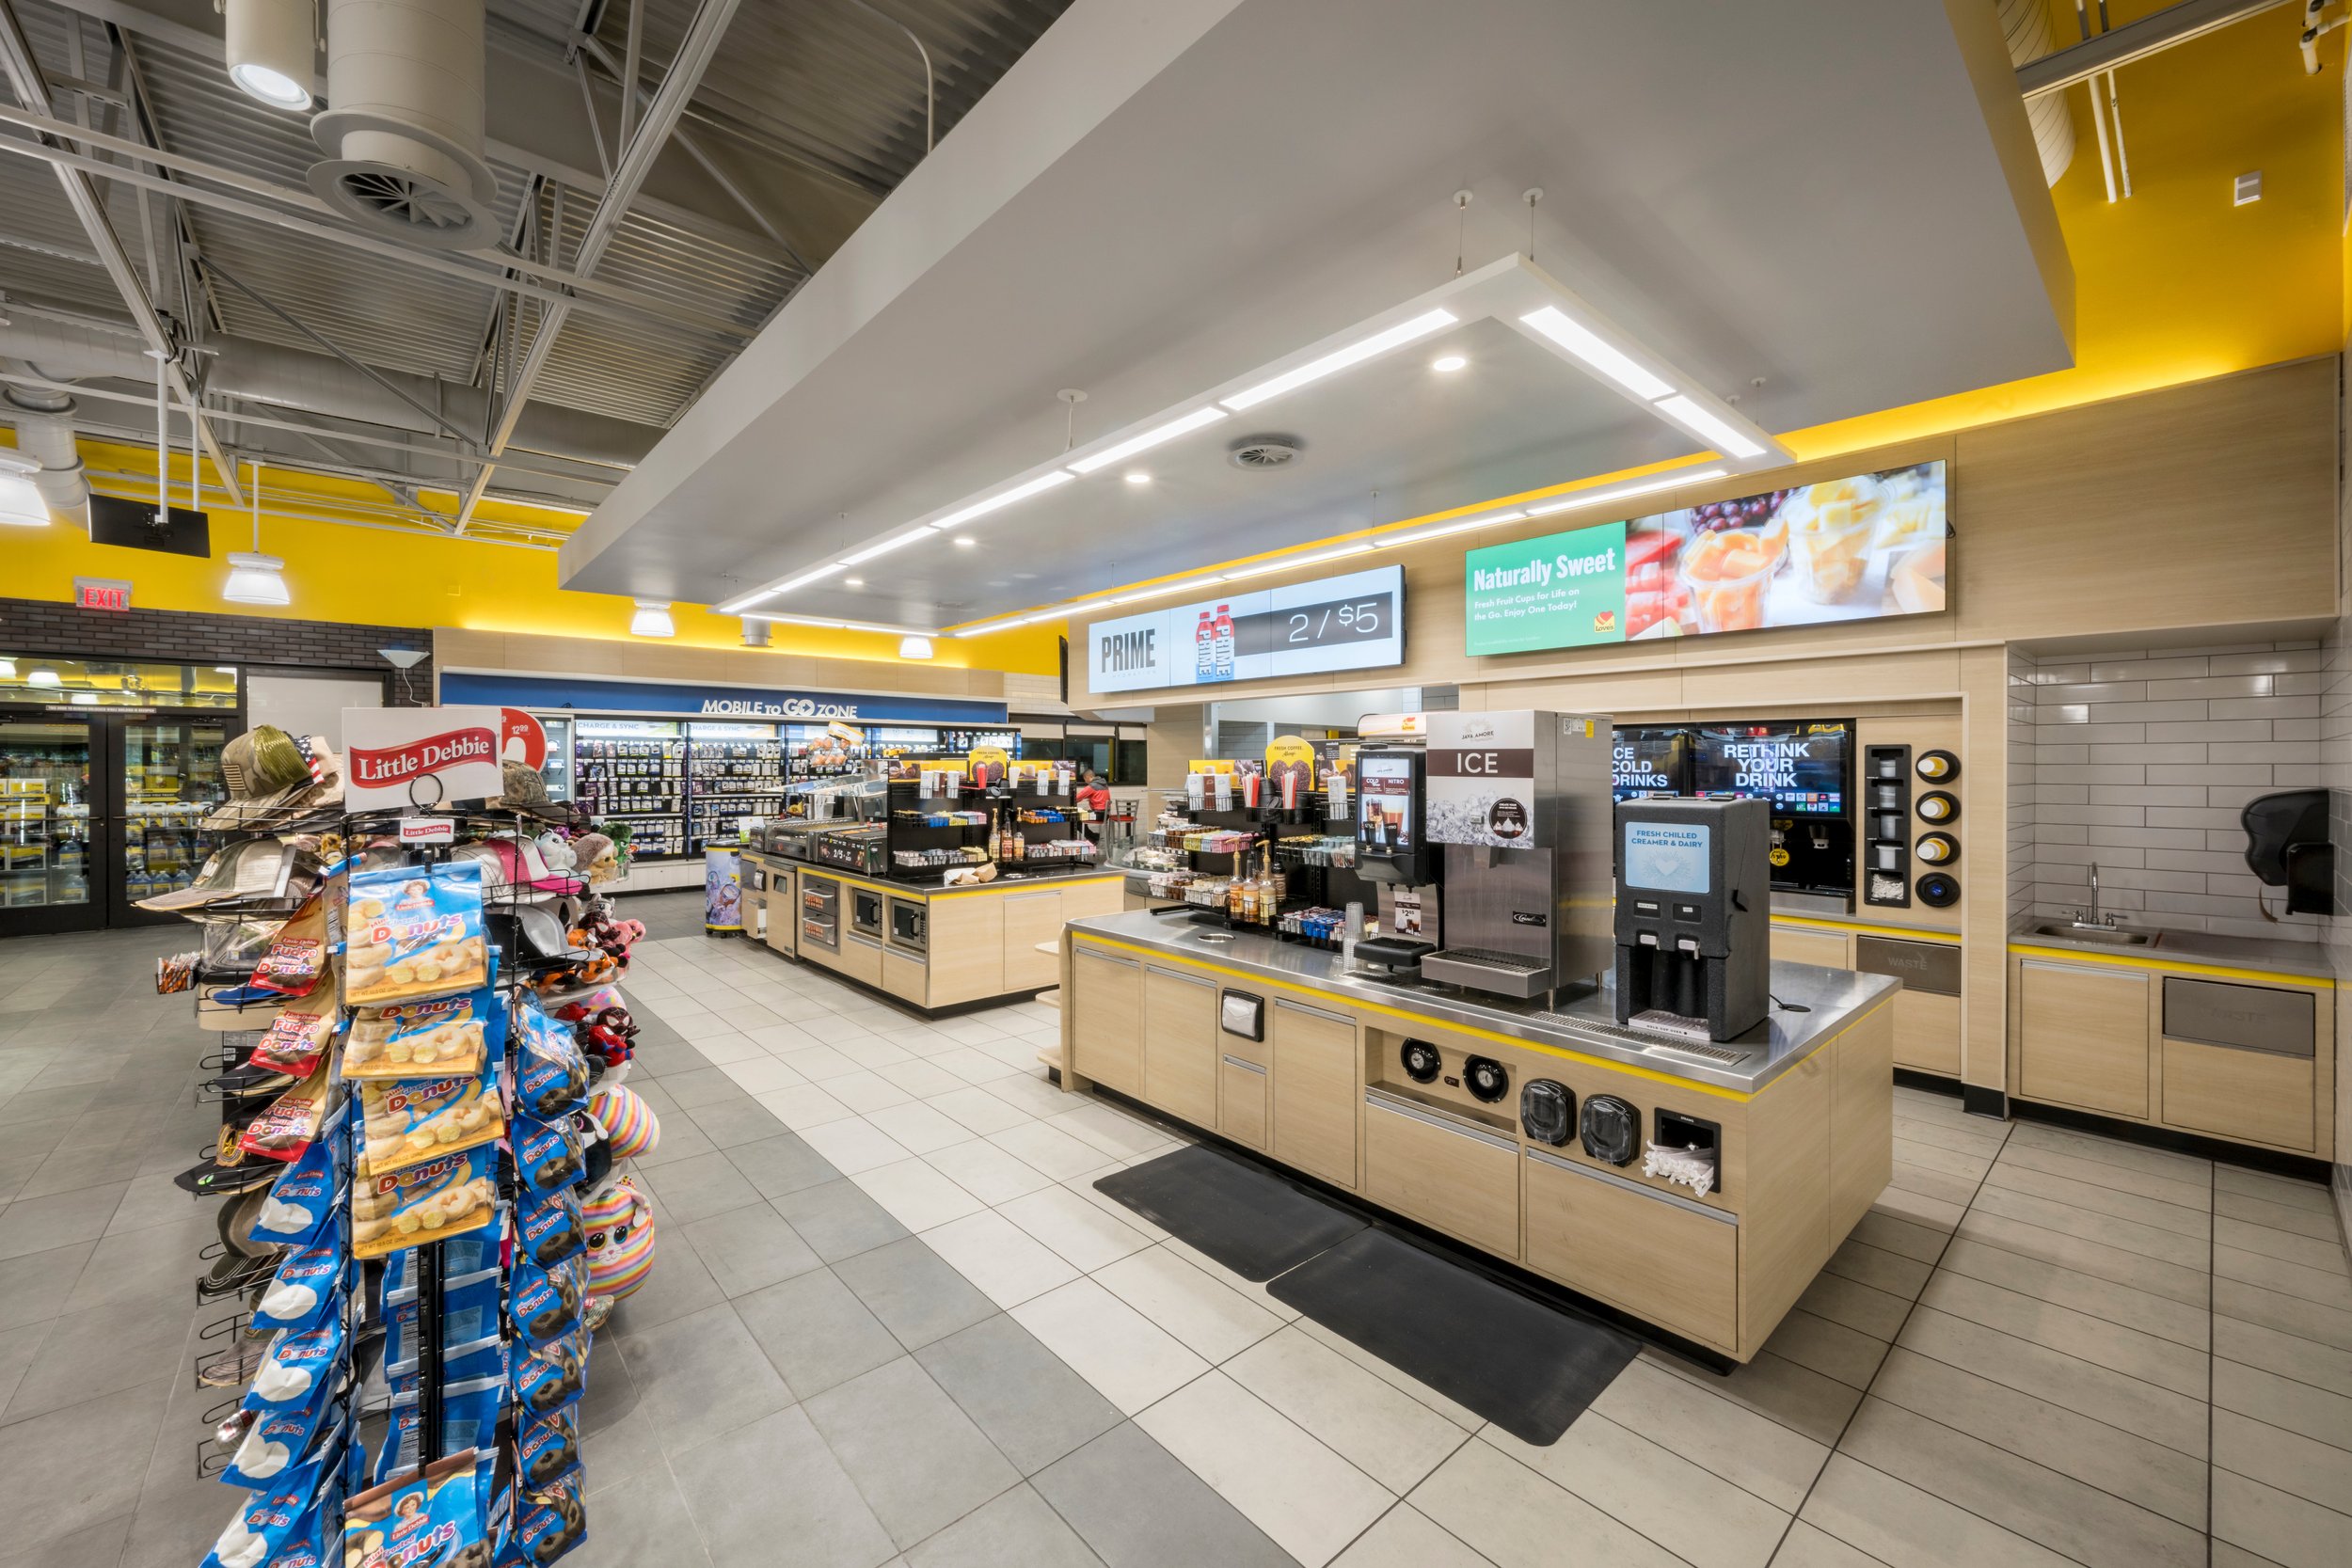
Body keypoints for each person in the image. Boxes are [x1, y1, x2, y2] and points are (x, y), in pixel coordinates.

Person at [1074, 767, 1111, 845]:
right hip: (1106, 815)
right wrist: (1091, 799)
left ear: (1087, 777)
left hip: (1098, 814)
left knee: (1076, 819)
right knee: (1082, 815)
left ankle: (1093, 839)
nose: (1085, 781)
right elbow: (1100, 797)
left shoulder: (1092, 786)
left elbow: (1077, 798)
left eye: (1085, 779)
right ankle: (1094, 837)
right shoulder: (1104, 784)